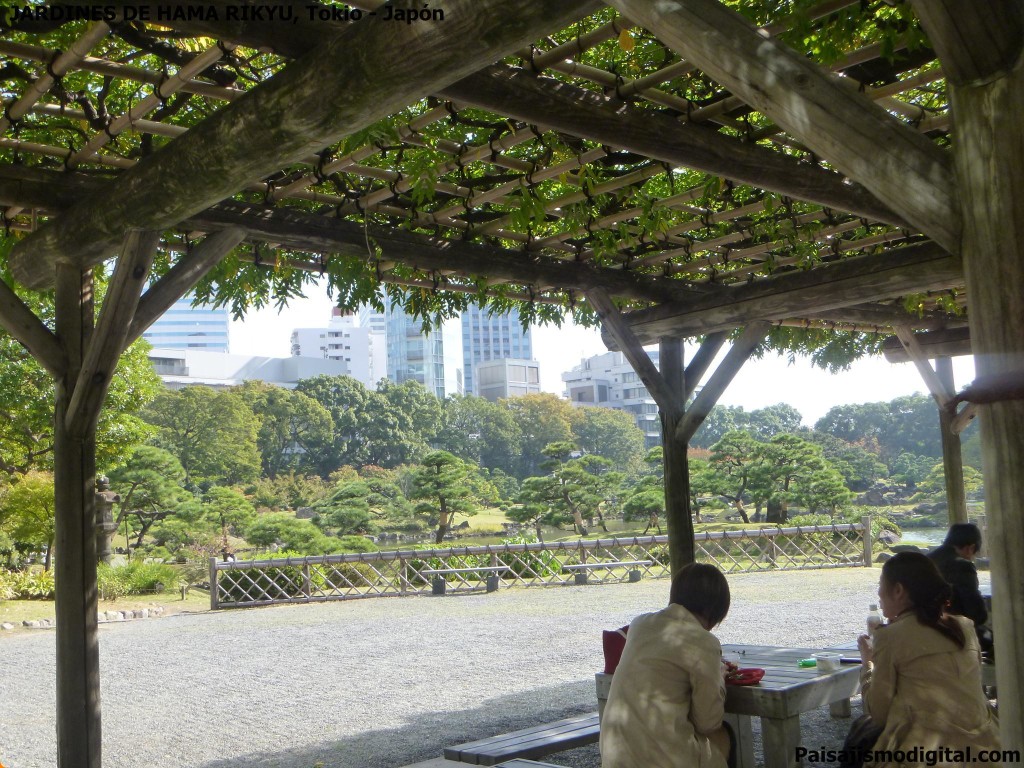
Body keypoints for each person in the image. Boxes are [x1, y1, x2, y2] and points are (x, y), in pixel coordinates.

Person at [852, 552, 1000, 767]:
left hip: (925, 753)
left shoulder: (891, 636)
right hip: (986, 745)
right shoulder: (964, 626)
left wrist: (868, 664)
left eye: (880, 584)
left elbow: (878, 713)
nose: (878, 593)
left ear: (898, 590)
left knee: (862, 735)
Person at [600, 563, 732, 768]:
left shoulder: (639, 625)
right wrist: (719, 677)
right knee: (723, 736)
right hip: (662, 761)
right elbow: (708, 722)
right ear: (715, 609)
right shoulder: (703, 641)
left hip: (614, 757)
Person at [927, 523, 992, 657]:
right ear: (971, 548)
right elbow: (975, 612)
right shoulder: (963, 566)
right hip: (953, 633)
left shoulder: (927, 560)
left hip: (924, 627)